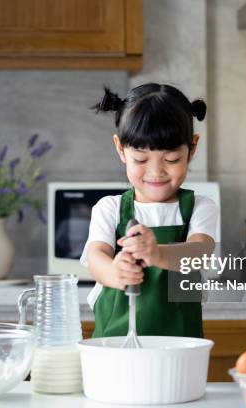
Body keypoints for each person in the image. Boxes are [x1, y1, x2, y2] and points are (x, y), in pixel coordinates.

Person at [79, 83, 218, 338]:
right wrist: (113, 272)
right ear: (121, 149)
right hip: (115, 344)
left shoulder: (199, 208)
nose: (156, 172)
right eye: (141, 160)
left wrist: (157, 254)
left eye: (172, 159)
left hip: (179, 346)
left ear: (193, 148)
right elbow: (96, 257)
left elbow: (199, 254)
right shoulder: (111, 209)